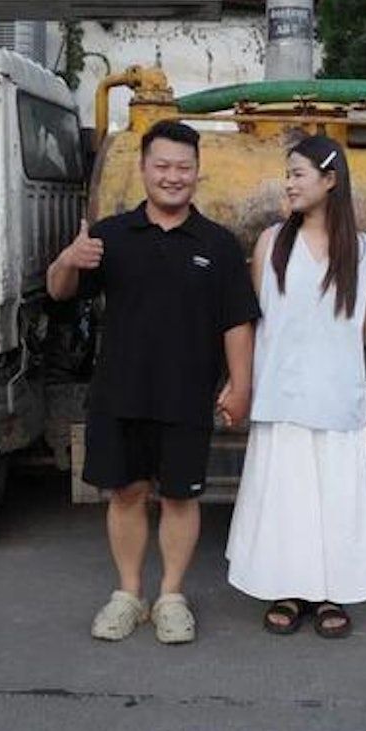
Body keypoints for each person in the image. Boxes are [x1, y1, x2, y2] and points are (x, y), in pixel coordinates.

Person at [47, 120, 260, 645]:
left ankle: (170, 596)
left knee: (180, 498)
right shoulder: (110, 235)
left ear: (197, 172)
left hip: (187, 395)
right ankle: (127, 594)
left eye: (183, 167)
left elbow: (237, 321)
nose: (172, 176)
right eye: (162, 166)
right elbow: (59, 291)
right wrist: (68, 259)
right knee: (125, 494)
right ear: (142, 169)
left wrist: (241, 385)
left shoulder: (219, 244)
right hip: (120, 392)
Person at [225, 134, 366, 638]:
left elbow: (365, 323)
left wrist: (329, 363)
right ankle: (287, 588)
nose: (289, 184)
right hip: (283, 395)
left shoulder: (364, 252)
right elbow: (256, 319)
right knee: (287, 500)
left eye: (298, 174)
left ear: (330, 180)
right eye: (288, 174)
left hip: (336, 397)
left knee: (336, 499)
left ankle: (334, 592)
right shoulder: (272, 243)